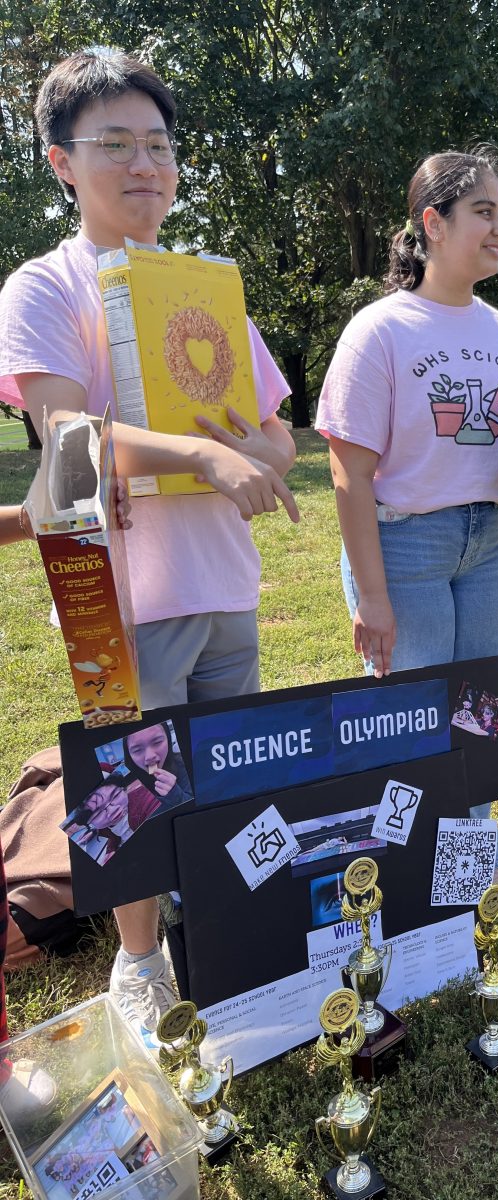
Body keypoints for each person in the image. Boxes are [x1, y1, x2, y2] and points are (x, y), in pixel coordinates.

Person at [0, 50, 299, 1041]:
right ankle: (139, 967)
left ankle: (219, 933)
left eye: (160, 147)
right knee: (133, 789)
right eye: (116, 145)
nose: (146, 166)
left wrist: (249, 448)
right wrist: (208, 458)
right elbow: (67, 446)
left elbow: (275, 433)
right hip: (113, 594)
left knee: (225, 776)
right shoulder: (44, 288)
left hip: (222, 581)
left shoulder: (203, 287)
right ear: (60, 162)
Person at [314, 147, 498, 684]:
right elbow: (349, 474)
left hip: (494, 544)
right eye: (484, 211)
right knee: (415, 720)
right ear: (434, 224)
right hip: (404, 549)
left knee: (480, 711)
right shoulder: (379, 331)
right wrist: (372, 596)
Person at [123, 722, 193, 809]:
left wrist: (174, 794)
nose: (149, 756)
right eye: (137, 750)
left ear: (168, 739)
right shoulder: (124, 786)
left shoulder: (185, 764)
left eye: (157, 742)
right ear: (129, 755)